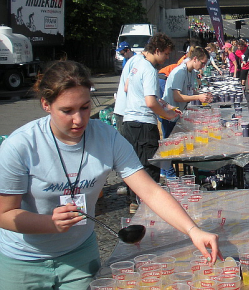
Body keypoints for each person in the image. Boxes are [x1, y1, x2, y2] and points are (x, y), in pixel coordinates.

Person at [0, 61, 222, 290]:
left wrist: (193, 230)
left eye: (85, 107)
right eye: (67, 111)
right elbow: (4, 213)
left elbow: (150, 191)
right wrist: (48, 223)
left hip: (79, 254)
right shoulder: (21, 146)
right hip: (23, 259)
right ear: (46, 104)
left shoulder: (106, 137)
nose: (79, 119)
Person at [121, 33, 179, 213]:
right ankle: (148, 207)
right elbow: (150, 102)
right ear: (157, 50)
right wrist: (167, 115)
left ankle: (134, 202)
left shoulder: (136, 63)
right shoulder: (149, 70)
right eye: (166, 54)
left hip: (129, 122)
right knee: (149, 166)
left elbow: (127, 87)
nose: (167, 58)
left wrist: (165, 104)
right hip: (144, 124)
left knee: (133, 166)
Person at [160, 47, 212, 138]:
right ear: (195, 59)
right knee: (172, 144)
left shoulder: (191, 72)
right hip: (170, 116)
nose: (203, 66)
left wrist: (203, 95)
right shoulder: (180, 72)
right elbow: (177, 97)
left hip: (178, 114)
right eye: (202, 63)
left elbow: (190, 91)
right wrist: (198, 97)